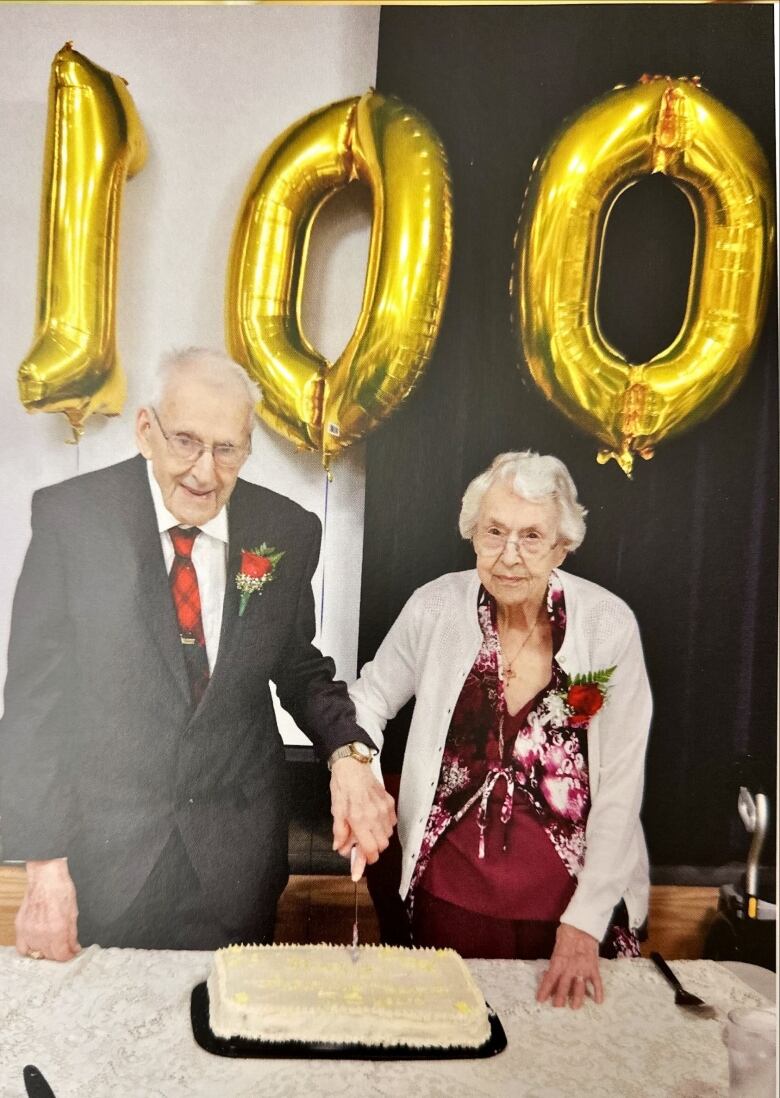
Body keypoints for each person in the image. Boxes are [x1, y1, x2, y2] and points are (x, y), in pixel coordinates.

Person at [0, 347, 394, 960]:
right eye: (185, 441)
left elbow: (296, 664)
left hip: (234, 855)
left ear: (246, 447)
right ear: (146, 429)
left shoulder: (285, 529)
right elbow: (34, 706)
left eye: (226, 449)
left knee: (225, 1031)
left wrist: (347, 754)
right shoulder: (72, 520)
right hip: (106, 854)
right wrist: (45, 865)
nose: (204, 473)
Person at [350, 451, 652, 1009]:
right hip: (451, 899)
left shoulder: (607, 626)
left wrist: (584, 925)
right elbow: (368, 698)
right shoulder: (435, 608)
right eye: (494, 532)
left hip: (568, 907)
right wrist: (357, 772)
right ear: (473, 534)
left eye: (532, 536)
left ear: (563, 545)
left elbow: (621, 786)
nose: (509, 556)